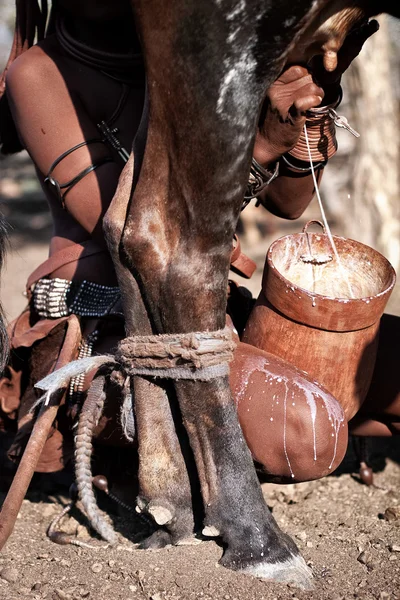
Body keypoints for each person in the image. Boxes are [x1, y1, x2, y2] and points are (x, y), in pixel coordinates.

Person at [0, 0, 381, 497]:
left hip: (211, 313)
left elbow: (290, 202)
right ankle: (115, 436)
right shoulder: (39, 74)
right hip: (109, 331)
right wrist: (262, 145)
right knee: (307, 437)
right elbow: (146, 239)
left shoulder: (193, 62)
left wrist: (313, 94)